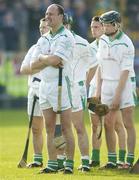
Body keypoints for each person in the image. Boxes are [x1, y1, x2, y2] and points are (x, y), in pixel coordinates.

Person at [30, 4, 75, 174]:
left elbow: (57, 60)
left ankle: (69, 164)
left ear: (61, 16)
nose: (47, 17)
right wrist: (45, 58)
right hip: (45, 86)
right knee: (49, 128)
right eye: (46, 14)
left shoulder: (66, 36)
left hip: (62, 85)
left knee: (65, 128)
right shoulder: (43, 39)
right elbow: (33, 65)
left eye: (51, 14)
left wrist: (45, 58)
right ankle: (52, 163)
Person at [57, 13, 98, 172]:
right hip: (58, 89)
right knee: (58, 127)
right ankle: (62, 161)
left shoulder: (81, 42)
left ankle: (85, 162)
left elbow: (94, 64)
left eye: (65, 24)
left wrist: (85, 83)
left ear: (69, 24)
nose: (63, 27)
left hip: (75, 89)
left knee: (78, 126)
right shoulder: (55, 41)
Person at [95, 10, 136, 169]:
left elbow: (125, 71)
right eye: (103, 24)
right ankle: (112, 161)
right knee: (108, 124)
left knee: (127, 123)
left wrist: (117, 96)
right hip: (106, 85)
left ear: (116, 24)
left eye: (106, 24)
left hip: (123, 85)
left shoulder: (127, 43)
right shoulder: (102, 40)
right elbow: (100, 66)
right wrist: (98, 90)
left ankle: (128, 160)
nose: (104, 27)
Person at [88, 16, 126, 168]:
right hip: (93, 89)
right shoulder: (89, 47)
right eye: (92, 27)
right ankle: (95, 158)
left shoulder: (110, 44)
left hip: (109, 88)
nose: (94, 29)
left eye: (97, 27)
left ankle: (121, 159)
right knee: (94, 124)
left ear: (103, 27)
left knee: (116, 125)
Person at [20, 18, 49, 168]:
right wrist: (42, 65)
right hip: (34, 90)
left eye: (45, 27)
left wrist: (38, 65)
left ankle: (61, 159)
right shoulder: (34, 48)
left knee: (54, 128)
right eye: (40, 27)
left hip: (49, 92)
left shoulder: (54, 47)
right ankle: (38, 159)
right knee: (36, 128)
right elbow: (23, 69)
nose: (42, 29)